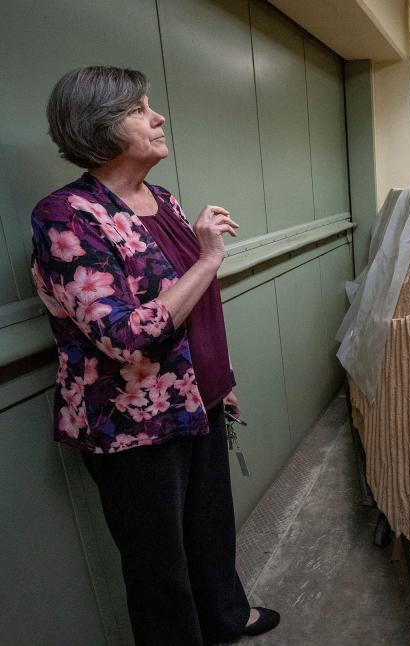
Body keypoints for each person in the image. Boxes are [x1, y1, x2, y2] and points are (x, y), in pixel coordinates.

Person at [30, 66, 280, 645]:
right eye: (140, 109)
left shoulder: (160, 198)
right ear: (99, 126)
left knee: (210, 529)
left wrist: (220, 379)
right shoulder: (66, 216)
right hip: (130, 422)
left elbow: (195, 305)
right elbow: (123, 334)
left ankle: (224, 617)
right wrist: (209, 258)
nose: (158, 116)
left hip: (198, 400)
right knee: (158, 568)